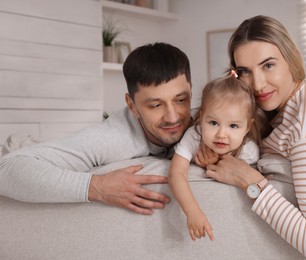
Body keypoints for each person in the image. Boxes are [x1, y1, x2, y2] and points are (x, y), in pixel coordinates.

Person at [203, 15, 306, 259]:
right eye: (245, 71)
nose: (257, 84)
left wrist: (249, 180)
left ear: (291, 59)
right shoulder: (288, 103)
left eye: (268, 65)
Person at [0, 42, 192, 215]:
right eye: (155, 105)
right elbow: (6, 169)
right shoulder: (113, 138)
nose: (173, 117)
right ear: (132, 105)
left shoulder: (205, 121)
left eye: (181, 100)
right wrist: (97, 186)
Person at [168, 73, 261, 241]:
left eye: (233, 125)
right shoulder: (194, 136)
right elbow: (176, 173)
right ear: (202, 118)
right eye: (213, 123)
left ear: (247, 127)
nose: (221, 134)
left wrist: (217, 161)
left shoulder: (249, 150)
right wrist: (193, 211)